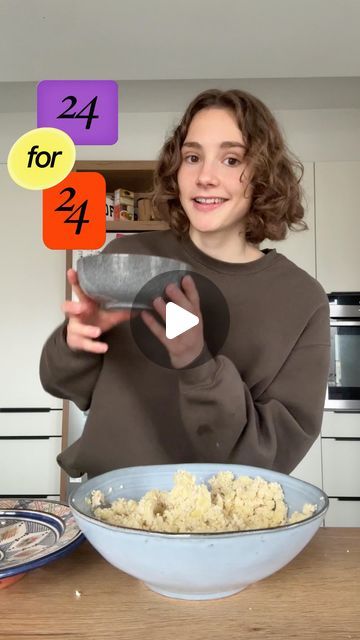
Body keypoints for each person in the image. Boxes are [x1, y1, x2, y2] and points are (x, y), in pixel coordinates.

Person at [39, 88, 330, 479]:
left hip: (221, 525)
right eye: (192, 157)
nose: (205, 177)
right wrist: (77, 341)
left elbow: (274, 456)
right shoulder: (129, 257)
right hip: (107, 507)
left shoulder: (301, 300)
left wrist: (198, 364)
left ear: (263, 175)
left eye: (231, 159)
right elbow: (64, 385)